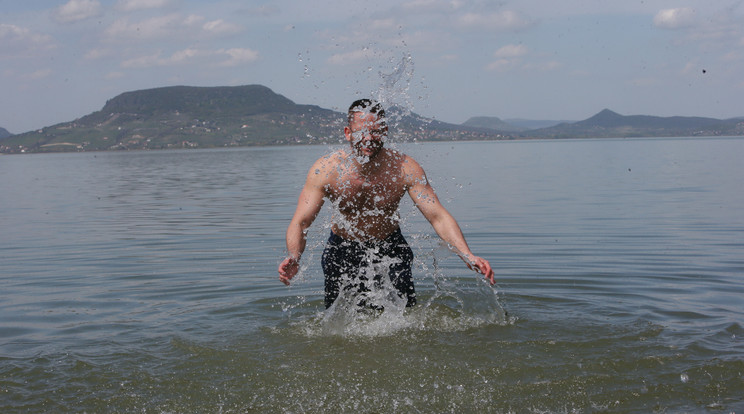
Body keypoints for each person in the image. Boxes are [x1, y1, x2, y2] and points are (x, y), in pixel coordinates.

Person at [278, 99, 494, 309]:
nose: (369, 138)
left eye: (375, 131)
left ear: (385, 131)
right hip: (342, 249)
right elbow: (301, 222)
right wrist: (294, 257)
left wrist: (467, 254)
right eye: (362, 131)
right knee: (337, 325)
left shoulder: (404, 168)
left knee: (404, 320)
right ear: (347, 133)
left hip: (390, 248)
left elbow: (438, 216)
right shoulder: (326, 170)